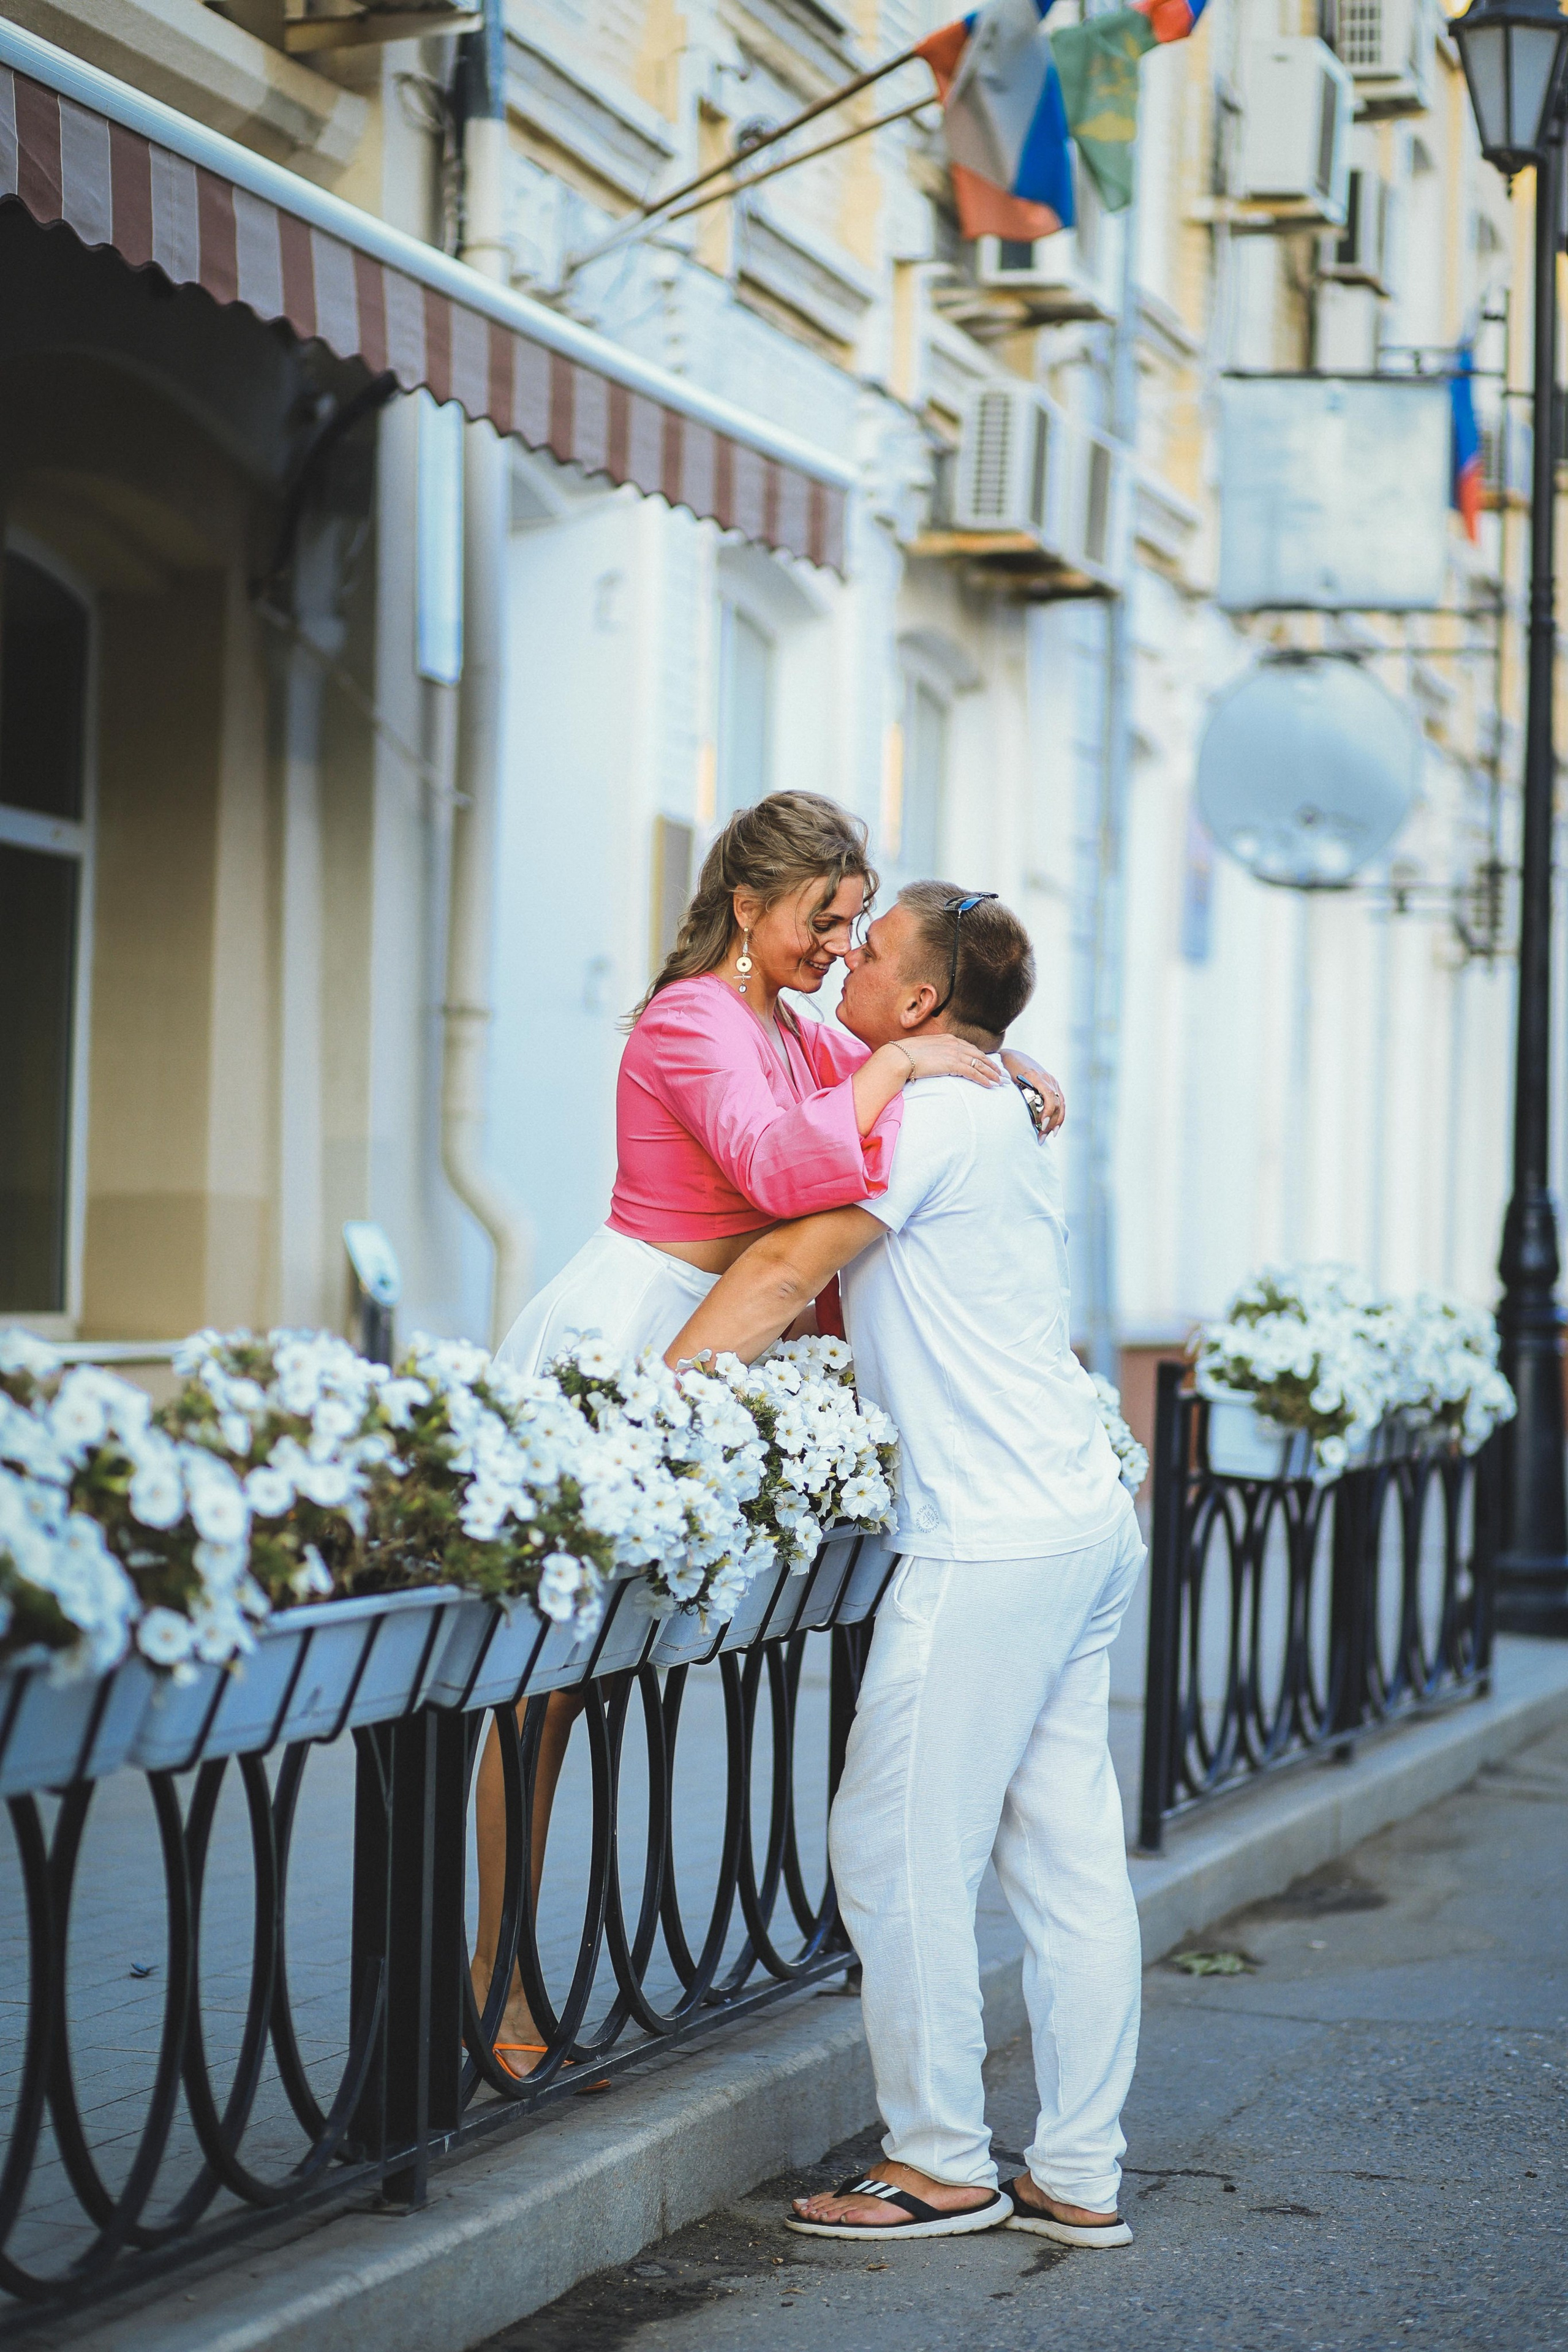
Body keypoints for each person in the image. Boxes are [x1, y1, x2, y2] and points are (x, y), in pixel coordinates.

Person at [470, 796, 1065, 2075]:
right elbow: (787, 1172)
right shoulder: (691, 1020)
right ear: (748, 905)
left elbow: (856, 1106)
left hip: (726, 1344)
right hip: (641, 1333)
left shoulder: (786, 1023)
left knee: (629, 1667)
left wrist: (988, 1059)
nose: (840, 945)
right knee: (544, 1685)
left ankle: (649, 1949)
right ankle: (495, 1967)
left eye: (856, 921)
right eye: (823, 918)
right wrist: (906, 1065)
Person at [661, 882, 1144, 2249]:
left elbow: (776, 1271)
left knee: (893, 1847)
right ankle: (1079, 2171)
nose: (843, 966)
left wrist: (631, 1419)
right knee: (1065, 1863)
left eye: (866, 952)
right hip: (1079, 1519)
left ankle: (938, 2162)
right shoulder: (976, 1095)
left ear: (922, 1004)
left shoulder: (927, 1114)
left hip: (991, 1541)